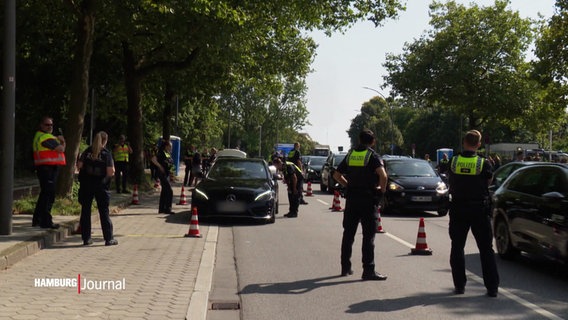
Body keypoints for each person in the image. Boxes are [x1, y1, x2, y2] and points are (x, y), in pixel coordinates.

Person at [448, 130, 499, 297]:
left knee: (457, 247)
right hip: (479, 209)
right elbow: (488, 181)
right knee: (486, 249)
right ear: (478, 144)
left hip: (458, 208)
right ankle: (492, 287)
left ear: (464, 142)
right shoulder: (483, 163)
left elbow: (450, 178)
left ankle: (459, 286)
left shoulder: (453, 161)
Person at [332, 129, 388, 280]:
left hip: (352, 199)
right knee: (368, 236)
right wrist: (381, 191)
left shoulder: (351, 155)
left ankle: (345, 267)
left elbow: (336, 175)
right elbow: (383, 175)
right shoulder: (372, 155)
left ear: (359, 140)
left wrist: (348, 185)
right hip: (368, 200)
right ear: (373, 141)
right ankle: (368, 270)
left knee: (348, 234)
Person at [77, 131, 118, 246]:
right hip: (101, 185)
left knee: (85, 211)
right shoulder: (106, 154)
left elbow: (79, 166)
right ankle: (108, 239)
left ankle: (86, 239)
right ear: (105, 141)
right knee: (104, 212)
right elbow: (110, 172)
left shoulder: (87, 151)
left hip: (86, 184)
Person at [32, 116, 66, 229]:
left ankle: (37, 219)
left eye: (51, 125)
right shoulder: (45, 137)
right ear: (41, 125)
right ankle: (46, 222)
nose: (49, 127)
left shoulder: (40, 136)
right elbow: (60, 149)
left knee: (44, 194)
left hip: (45, 168)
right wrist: (62, 141)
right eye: (47, 125)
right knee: (49, 196)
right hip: (48, 169)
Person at [152, 140, 174, 214]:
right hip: (162, 174)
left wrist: (171, 173)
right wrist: (160, 166)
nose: (171, 147)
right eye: (170, 146)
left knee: (164, 191)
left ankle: (161, 209)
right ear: (166, 146)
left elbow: (169, 163)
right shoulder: (161, 152)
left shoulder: (168, 153)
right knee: (170, 191)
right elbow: (153, 159)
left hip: (166, 174)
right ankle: (168, 209)